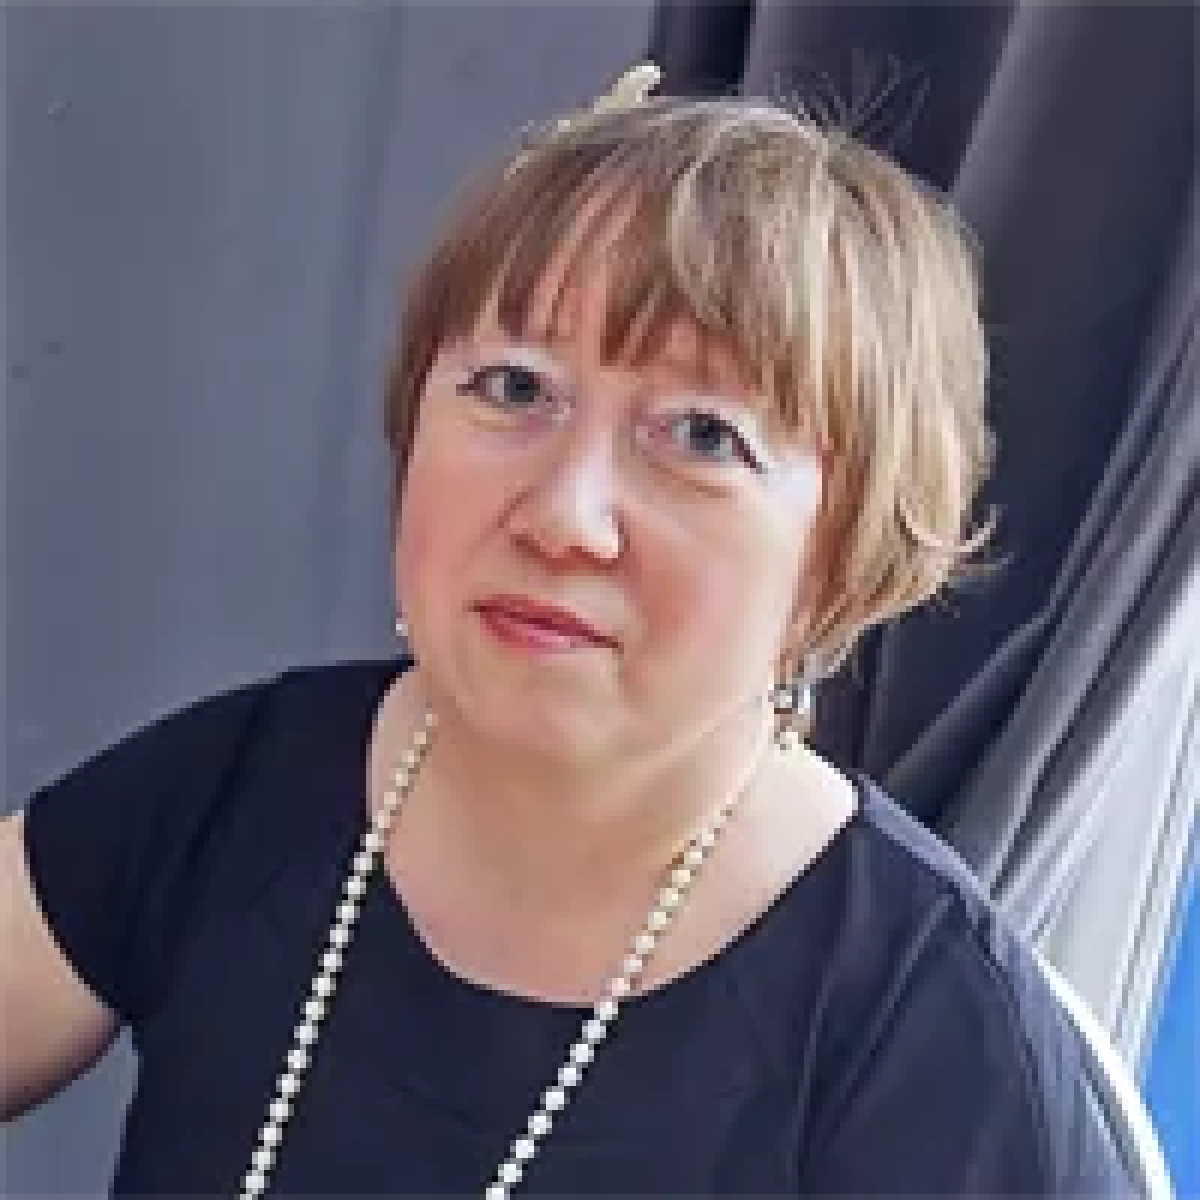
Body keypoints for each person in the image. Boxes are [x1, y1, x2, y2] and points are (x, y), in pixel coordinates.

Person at [1, 64, 1132, 1197]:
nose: (562, 517)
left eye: (703, 436)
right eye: (512, 387)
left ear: (839, 558)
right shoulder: (231, 793)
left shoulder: (941, 1046)